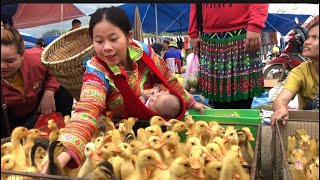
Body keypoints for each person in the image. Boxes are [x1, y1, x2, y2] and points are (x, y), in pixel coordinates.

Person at [39, 7, 208, 171]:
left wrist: (192, 102)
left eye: (113, 39)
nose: (106, 47)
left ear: (128, 37)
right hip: (121, 134)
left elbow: (168, 78)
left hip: (156, 127)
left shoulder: (143, 52)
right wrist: (62, 153)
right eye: (98, 41)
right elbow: (87, 110)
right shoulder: (96, 71)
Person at [188, 3, 268, 109]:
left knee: (242, 101)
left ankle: (242, 124)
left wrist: (255, 25)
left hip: (241, 36)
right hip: (210, 39)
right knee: (217, 100)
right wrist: (193, 32)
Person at [1, 26, 73, 134]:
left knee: (63, 87)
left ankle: (64, 130)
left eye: (10, 61)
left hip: (39, 109)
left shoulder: (37, 58)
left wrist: (49, 91)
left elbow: (58, 68)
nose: (2, 66)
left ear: (22, 56)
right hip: (11, 121)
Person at [271, 22, 319, 125]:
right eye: (308, 37)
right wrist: (280, 109)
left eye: (315, 37)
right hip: (309, 130)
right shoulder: (300, 72)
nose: (306, 42)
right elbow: (280, 100)